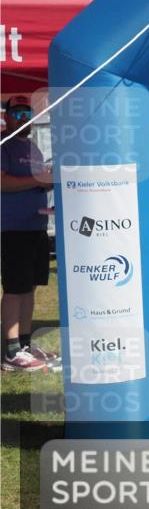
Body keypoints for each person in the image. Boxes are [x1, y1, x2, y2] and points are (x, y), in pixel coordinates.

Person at [1, 95, 58, 371]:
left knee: (30, 286)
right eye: (19, 114)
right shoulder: (3, 145)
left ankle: (24, 343)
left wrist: (50, 180)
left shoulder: (33, 147)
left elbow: (36, 182)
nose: (26, 120)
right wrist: (39, 179)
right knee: (15, 287)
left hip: (36, 225)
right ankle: (12, 352)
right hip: (12, 227)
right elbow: (3, 183)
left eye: (30, 114)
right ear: (7, 117)